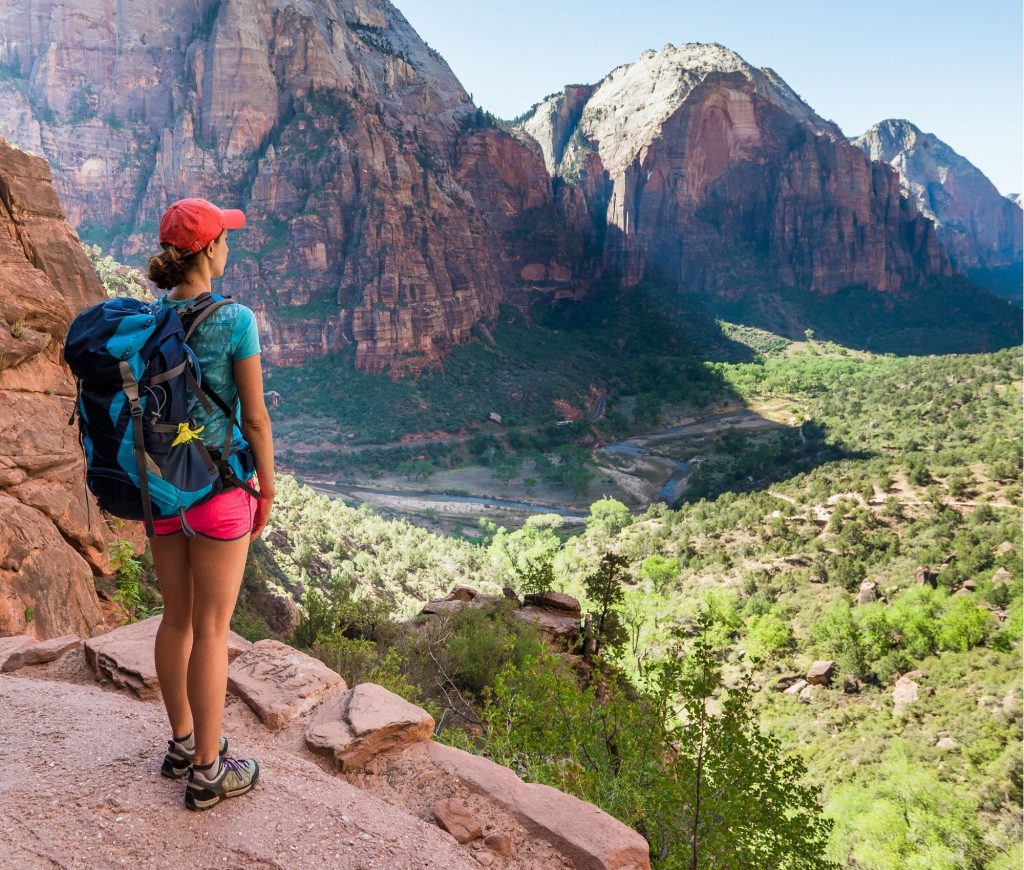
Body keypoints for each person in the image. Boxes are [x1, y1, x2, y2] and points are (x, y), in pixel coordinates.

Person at [145, 198, 275, 811]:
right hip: (220, 491)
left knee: (176, 619)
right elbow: (254, 417)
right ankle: (208, 771)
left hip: (163, 488)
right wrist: (267, 487)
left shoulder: (150, 317)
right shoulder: (237, 319)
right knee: (213, 631)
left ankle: (180, 743)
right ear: (208, 250)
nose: (230, 244)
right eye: (225, 235)